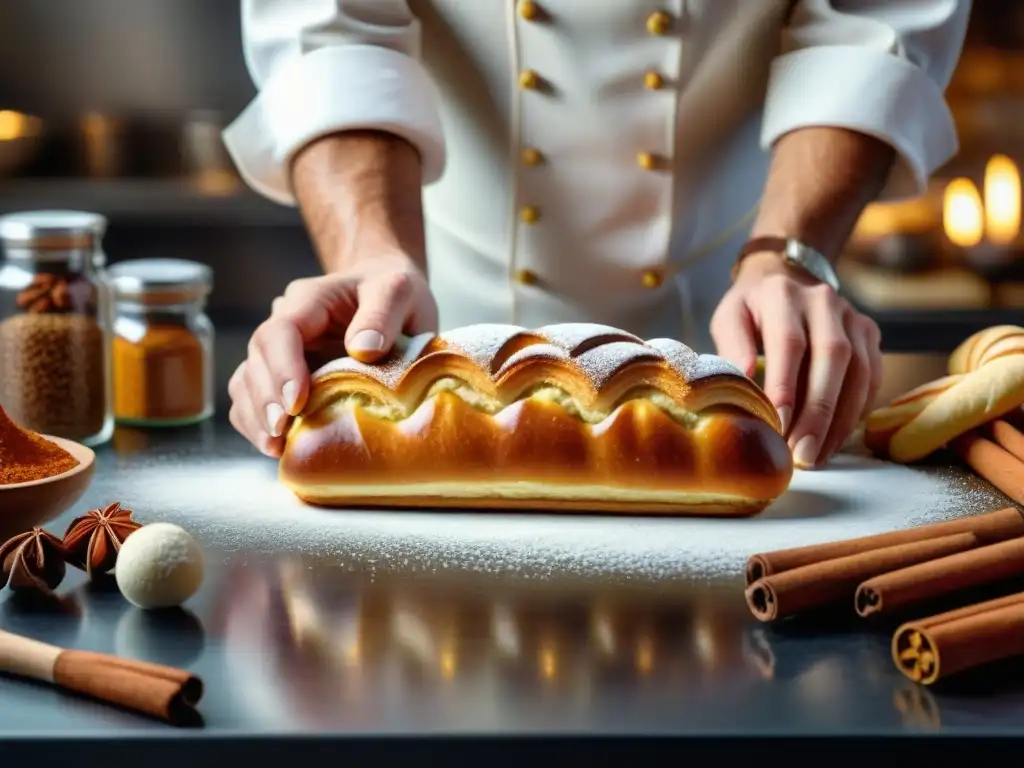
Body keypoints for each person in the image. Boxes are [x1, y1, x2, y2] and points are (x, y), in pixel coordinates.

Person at [223, 0, 970, 470]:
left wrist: (791, 253)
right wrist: (371, 254)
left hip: (738, 343)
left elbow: (872, 22)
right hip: (426, 330)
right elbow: (330, 23)